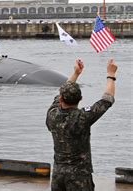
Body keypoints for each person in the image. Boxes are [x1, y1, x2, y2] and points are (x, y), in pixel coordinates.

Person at [46, 59, 117, 191]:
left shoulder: (52, 115)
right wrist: (110, 75)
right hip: (79, 177)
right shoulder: (82, 117)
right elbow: (107, 99)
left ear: (61, 99)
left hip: (58, 175)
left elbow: (60, 93)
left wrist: (76, 73)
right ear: (81, 98)